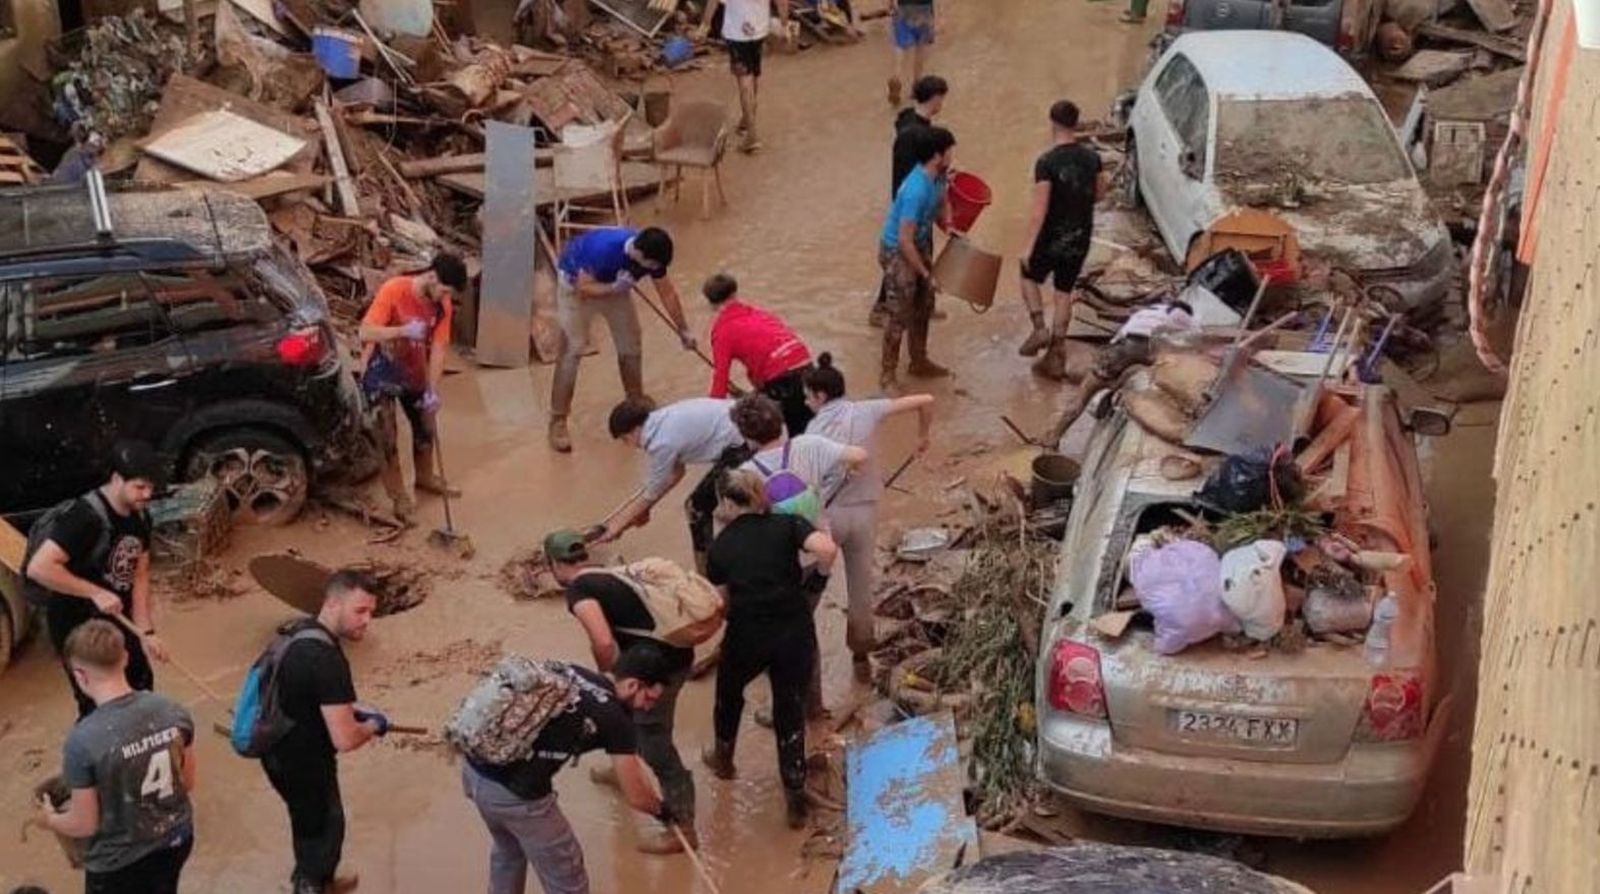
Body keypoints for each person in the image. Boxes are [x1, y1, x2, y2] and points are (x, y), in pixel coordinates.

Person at [461, 645, 682, 894]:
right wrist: (664, 812)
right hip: (517, 797)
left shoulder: (576, 672)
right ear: (633, 685)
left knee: (509, 852)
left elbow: (630, 768)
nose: (648, 707)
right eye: (649, 698)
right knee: (567, 877)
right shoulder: (616, 719)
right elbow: (637, 796)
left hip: (475, 772)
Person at [544, 530, 699, 854]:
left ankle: (683, 828)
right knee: (622, 718)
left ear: (554, 564)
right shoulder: (605, 572)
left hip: (657, 671)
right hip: (669, 656)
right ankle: (624, 771)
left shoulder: (579, 590)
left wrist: (609, 676)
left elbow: (602, 641)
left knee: (656, 743)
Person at [700, 470, 839, 829]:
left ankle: (724, 759)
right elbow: (826, 548)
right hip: (793, 628)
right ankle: (794, 797)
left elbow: (720, 602)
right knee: (788, 705)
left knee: (729, 694)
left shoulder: (720, 547)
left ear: (728, 503)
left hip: (747, 633)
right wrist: (818, 580)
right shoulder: (787, 523)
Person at [37, 620, 196, 894]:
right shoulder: (173, 711)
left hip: (118, 863)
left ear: (79, 675)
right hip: (176, 839)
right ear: (125, 658)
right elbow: (188, 782)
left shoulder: (82, 741)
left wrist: (49, 818)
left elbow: (84, 823)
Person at [802, 353, 933, 681]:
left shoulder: (812, 430)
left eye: (807, 396)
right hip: (865, 513)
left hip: (827, 519)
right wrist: (923, 436)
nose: (805, 403)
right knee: (860, 588)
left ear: (820, 396)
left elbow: (803, 486)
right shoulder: (868, 410)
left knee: (808, 591)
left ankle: (804, 664)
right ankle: (861, 660)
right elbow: (927, 399)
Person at [259, 570, 388, 894]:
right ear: (333, 603)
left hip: (275, 748)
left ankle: (318, 880)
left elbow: (301, 693)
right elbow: (345, 740)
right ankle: (311, 885)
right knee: (326, 829)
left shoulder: (297, 633)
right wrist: (373, 725)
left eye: (371, 612)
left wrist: (348, 709)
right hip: (304, 761)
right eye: (360, 611)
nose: (367, 620)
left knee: (306, 823)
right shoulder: (326, 659)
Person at [27, 440, 169, 719]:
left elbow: (139, 575)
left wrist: (147, 634)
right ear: (117, 479)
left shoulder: (141, 515)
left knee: (141, 686)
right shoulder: (85, 517)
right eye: (140, 487)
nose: (147, 494)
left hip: (120, 619)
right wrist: (94, 592)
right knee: (99, 704)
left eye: (151, 488)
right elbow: (39, 567)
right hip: (80, 626)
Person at [548, 226, 694, 454]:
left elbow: (667, 293)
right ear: (640, 256)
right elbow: (583, 289)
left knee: (631, 342)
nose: (655, 271)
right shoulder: (604, 251)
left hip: (615, 286)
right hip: (577, 288)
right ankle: (558, 420)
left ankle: (635, 406)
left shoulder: (651, 254)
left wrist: (683, 329)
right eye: (653, 266)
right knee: (571, 352)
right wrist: (615, 287)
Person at [358, 253, 469, 522]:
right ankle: (398, 497)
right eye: (444, 289)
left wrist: (432, 389)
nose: (445, 296)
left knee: (425, 427)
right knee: (387, 437)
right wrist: (402, 331)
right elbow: (365, 332)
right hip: (381, 370)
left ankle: (425, 478)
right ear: (432, 277)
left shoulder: (442, 305)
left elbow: (440, 349)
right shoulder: (394, 289)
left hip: (413, 369)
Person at [598, 397, 749, 576]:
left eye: (625, 439)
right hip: (745, 428)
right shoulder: (663, 420)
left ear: (634, 430)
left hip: (742, 443)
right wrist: (642, 511)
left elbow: (652, 490)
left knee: (697, 507)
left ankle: (708, 571)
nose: (630, 445)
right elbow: (674, 474)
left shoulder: (660, 442)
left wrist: (617, 526)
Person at [1016, 100, 1108, 364]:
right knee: (1063, 292)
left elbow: (1039, 210)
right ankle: (1057, 353)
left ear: (1052, 123)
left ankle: (1039, 329)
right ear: (1076, 123)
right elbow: (1100, 194)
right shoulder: (1093, 158)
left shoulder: (1047, 162)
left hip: (1051, 236)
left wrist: (1028, 247)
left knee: (1027, 275)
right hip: (1080, 235)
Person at [1042, 298, 1198, 445]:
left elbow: (1116, 340)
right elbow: (1197, 344)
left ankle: (1054, 437)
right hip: (1146, 352)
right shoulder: (1187, 319)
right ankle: (1118, 392)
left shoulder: (1149, 310)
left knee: (1083, 395)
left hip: (1122, 346)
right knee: (1150, 371)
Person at [879, 126, 956, 391]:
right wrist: (926, 273)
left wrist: (949, 226)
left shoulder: (939, 177)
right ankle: (887, 375)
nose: (952, 156)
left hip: (917, 244)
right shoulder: (915, 189)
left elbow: (940, 205)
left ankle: (919, 361)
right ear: (938, 155)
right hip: (899, 250)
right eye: (949, 151)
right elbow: (903, 239)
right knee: (900, 312)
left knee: (924, 305)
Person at [872, 75, 950, 328]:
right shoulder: (912, 134)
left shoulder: (910, 122)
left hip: (914, 206)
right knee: (906, 256)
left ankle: (921, 302)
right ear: (935, 98)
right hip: (912, 208)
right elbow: (908, 176)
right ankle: (885, 307)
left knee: (912, 255)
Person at [704, 273, 816, 436]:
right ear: (735, 293)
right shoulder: (759, 313)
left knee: (778, 437)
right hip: (807, 366)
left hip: (782, 380)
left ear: (711, 304)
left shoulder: (722, 331)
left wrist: (709, 416)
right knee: (810, 430)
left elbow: (720, 378)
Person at [697, 0, 794, 154]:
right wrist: (784, 26)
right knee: (754, 75)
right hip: (759, 30)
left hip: (737, 33)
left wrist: (704, 26)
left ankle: (752, 136)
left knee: (744, 81)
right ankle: (746, 120)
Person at [886, 0, 942, 106]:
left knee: (900, 46)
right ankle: (917, 84)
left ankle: (896, 76)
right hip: (924, 7)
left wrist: (891, 3)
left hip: (903, 6)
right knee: (920, 46)